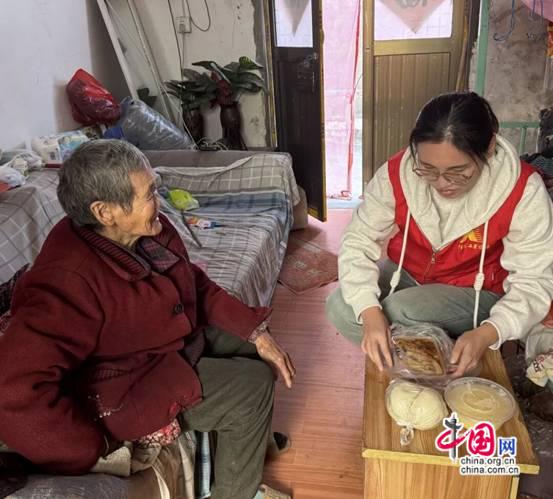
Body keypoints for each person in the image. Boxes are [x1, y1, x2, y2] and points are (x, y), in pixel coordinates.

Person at [0, 140, 295, 499]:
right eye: (150, 193)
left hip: (167, 340)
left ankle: (250, 441)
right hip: (125, 383)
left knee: (255, 346)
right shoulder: (67, 279)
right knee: (251, 387)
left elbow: (193, 281)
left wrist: (255, 332)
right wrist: (87, 448)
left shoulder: (149, 230)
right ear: (105, 212)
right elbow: (13, 389)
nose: (160, 199)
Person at [326, 92, 553, 376]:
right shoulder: (398, 172)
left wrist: (489, 332)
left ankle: (431, 364)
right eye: (428, 169)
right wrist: (370, 313)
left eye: (458, 172)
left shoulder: (522, 189)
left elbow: (534, 281)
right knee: (341, 307)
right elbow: (358, 240)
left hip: (476, 288)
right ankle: (428, 364)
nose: (442, 184)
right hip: (408, 273)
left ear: (489, 148)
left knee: (399, 311)